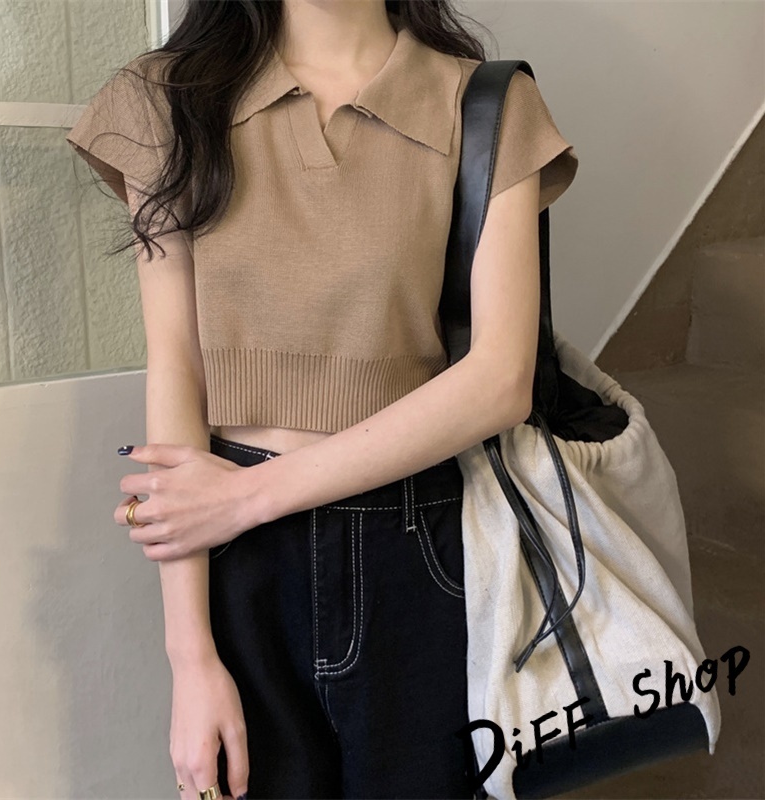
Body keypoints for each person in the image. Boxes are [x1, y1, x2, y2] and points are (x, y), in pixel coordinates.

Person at [65, 0, 578, 797]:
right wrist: (190, 658)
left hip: (420, 552)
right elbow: (177, 370)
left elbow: (500, 382)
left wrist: (247, 497)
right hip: (237, 566)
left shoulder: (486, 102)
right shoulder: (166, 100)